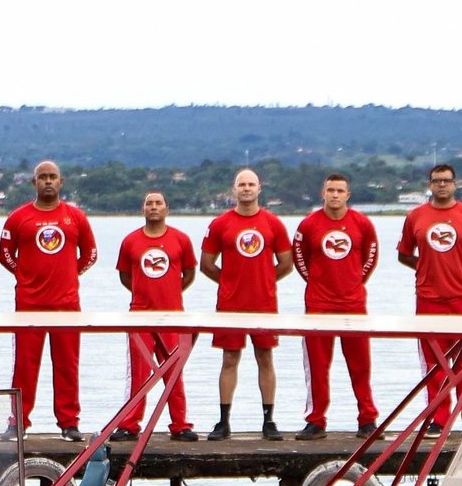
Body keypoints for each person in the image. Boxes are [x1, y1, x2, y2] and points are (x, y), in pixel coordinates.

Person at [0, 161, 97, 441]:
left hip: (66, 305)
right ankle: (18, 422)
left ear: (61, 182)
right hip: (29, 304)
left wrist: (69, 274)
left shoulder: (75, 217)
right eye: (43, 177)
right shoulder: (18, 218)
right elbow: (5, 255)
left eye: (53, 177)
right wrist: (25, 275)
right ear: (34, 183)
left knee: (67, 364)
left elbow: (90, 254)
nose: (48, 181)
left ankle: (69, 423)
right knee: (24, 366)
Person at [199, 168, 293, 440]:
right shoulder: (221, 224)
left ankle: (269, 420)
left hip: (264, 304)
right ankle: (223, 421)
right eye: (242, 184)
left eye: (251, 184)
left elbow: (286, 263)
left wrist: (264, 280)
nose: (247, 188)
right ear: (234, 189)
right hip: (230, 305)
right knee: (229, 358)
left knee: (265, 358)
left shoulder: (273, 223)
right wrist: (229, 282)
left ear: (259, 188)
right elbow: (206, 264)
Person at [396, 163, 462, 434]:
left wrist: (459, 268)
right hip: (428, 298)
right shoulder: (416, 216)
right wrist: (425, 266)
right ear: (430, 184)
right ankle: (438, 418)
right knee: (434, 363)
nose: (441, 185)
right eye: (436, 181)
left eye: (446, 181)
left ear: (454, 184)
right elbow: (404, 254)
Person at [292, 173, 380, 439]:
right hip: (318, 305)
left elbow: (370, 258)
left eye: (340, 190)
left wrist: (353, 283)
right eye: (330, 190)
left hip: (353, 304)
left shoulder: (362, 224)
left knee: (361, 364)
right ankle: (316, 420)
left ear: (348, 195)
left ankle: (367, 419)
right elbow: (300, 259)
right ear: (323, 193)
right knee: (317, 366)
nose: (335, 195)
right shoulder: (308, 225)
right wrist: (318, 284)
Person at [109, 192, 199, 442]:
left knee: (174, 373)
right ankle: (129, 424)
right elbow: (126, 276)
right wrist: (144, 293)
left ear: (167, 209)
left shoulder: (181, 239)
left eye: (158, 203)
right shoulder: (130, 241)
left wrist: (170, 293)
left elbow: (190, 273)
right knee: (138, 373)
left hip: (172, 318)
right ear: (143, 209)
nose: (154, 207)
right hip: (140, 317)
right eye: (149, 203)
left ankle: (180, 425)